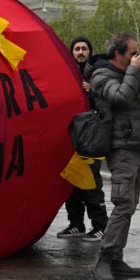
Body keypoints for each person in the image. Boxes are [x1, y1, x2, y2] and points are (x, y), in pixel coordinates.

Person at [88, 33, 140, 280]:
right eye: (132, 53)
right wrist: (134, 73)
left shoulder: (129, 73)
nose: (137, 56)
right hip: (120, 146)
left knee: (130, 204)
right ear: (117, 54)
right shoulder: (101, 75)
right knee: (123, 203)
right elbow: (120, 98)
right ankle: (104, 258)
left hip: (135, 145)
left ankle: (117, 259)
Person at [57, 36, 109, 242]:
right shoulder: (66, 74)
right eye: (76, 48)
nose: (80, 52)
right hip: (73, 136)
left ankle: (100, 226)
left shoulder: (98, 74)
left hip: (91, 136)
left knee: (91, 183)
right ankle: (76, 224)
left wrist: (92, 92)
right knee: (72, 183)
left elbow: (108, 100)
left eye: (84, 48)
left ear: (90, 52)